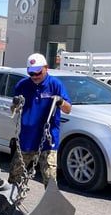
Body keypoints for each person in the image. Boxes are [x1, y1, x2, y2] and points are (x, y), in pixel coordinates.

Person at [8, 53, 72, 187]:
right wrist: (15, 104)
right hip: (26, 138)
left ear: (46, 68)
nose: (35, 77)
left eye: (38, 73)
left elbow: (68, 109)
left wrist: (60, 101)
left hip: (48, 140)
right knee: (14, 175)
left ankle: (51, 206)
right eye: (31, 74)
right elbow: (13, 110)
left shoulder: (55, 84)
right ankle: (8, 203)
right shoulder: (22, 85)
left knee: (50, 178)